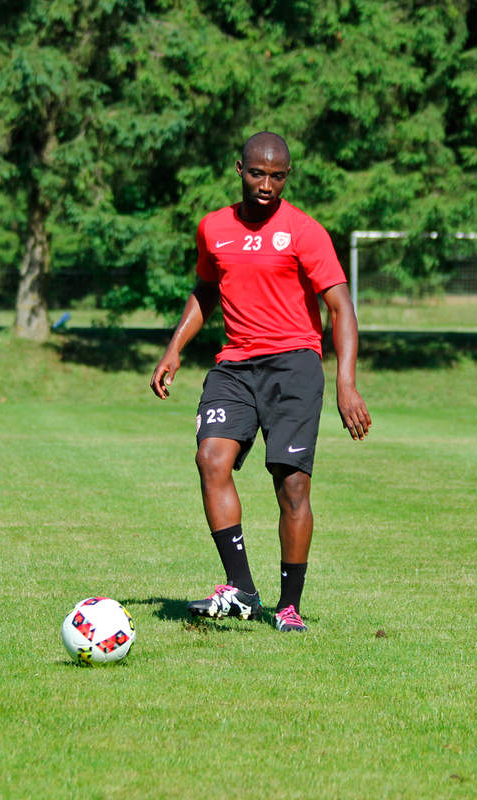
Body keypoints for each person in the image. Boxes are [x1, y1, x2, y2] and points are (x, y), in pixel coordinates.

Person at [150, 131, 371, 633]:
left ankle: (289, 606)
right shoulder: (213, 228)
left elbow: (341, 308)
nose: (266, 184)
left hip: (294, 365)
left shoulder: (305, 231)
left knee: (291, 484)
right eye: (257, 173)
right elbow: (205, 292)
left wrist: (346, 383)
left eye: (276, 176)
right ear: (239, 170)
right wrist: (173, 350)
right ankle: (242, 590)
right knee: (211, 457)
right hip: (234, 366)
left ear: (286, 177)